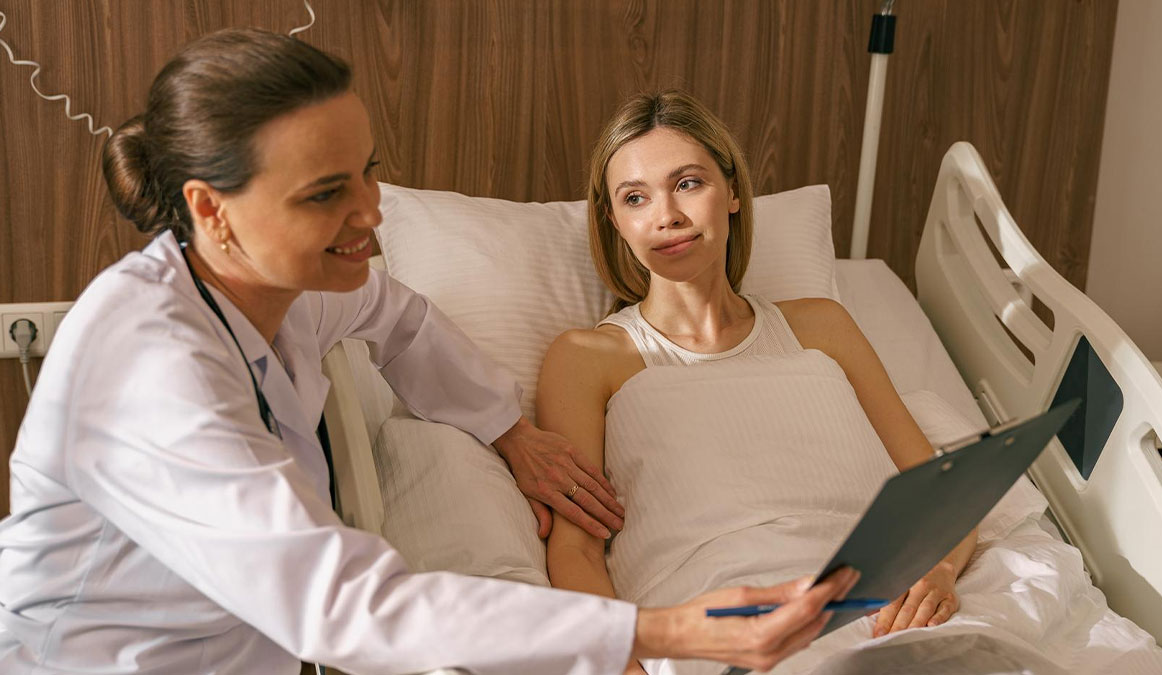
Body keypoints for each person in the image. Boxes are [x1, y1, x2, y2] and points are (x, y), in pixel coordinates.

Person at [0, 30, 859, 675]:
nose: (372, 212)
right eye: (327, 192)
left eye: (369, 172)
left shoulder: (291, 290)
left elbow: (401, 318)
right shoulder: (151, 368)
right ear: (211, 209)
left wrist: (508, 433)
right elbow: (343, 604)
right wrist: (663, 629)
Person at [538, 90, 978, 674]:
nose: (666, 214)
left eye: (688, 183)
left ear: (734, 192)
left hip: (879, 603)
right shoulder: (587, 357)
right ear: (615, 222)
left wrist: (938, 569)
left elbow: (937, 488)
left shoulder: (822, 325)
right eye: (636, 198)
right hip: (722, 622)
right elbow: (575, 549)